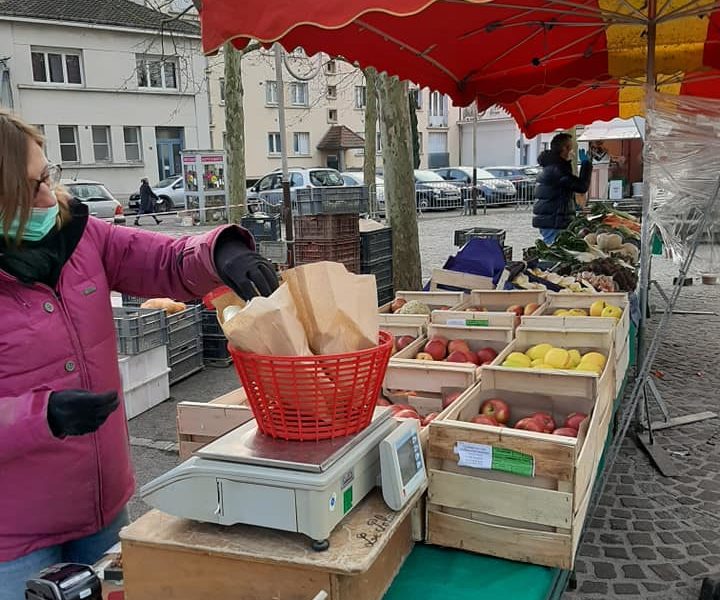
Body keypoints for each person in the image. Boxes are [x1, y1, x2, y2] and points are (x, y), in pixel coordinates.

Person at [0, 109, 278, 600]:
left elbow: (164, 259)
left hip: (102, 508)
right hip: (14, 540)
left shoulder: (80, 234)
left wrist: (221, 253)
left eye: (45, 176)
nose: (47, 197)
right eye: (26, 192)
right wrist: (42, 417)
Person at [532, 132, 592, 244]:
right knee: (554, 252)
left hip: (553, 219)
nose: (573, 151)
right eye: (571, 147)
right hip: (554, 221)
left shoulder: (554, 166)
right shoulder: (558, 170)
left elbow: (562, 192)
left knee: (556, 249)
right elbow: (581, 186)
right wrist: (586, 165)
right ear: (565, 148)